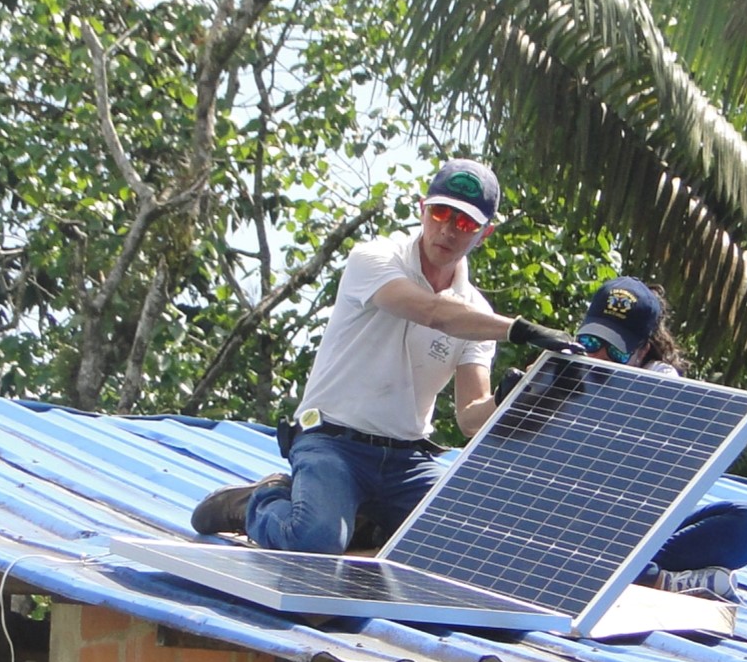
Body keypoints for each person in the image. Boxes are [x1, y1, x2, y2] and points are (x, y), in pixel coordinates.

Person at [190, 158, 581, 552]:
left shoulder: (475, 311)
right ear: (421, 208)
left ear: (485, 233)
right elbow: (434, 314)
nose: (447, 229)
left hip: (406, 462)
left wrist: (510, 398)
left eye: (464, 223)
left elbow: (470, 419)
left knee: (467, 545)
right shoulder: (375, 258)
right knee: (314, 539)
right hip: (332, 442)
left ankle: (366, 522)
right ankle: (260, 501)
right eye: (441, 212)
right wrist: (519, 329)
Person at [573, 274, 747, 602]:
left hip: (632, 532)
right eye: (591, 344)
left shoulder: (662, 387)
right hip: (572, 527)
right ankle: (657, 580)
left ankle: (640, 574)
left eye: (616, 352)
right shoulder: (558, 373)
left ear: (642, 352)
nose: (600, 359)